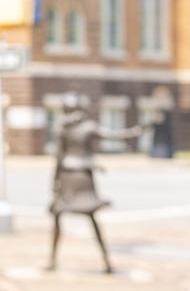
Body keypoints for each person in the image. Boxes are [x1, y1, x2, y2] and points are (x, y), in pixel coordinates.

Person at [47, 92, 140, 274]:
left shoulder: (64, 128)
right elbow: (112, 135)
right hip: (80, 175)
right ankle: (105, 261)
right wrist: (135, 131)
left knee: (62, 216)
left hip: (69, 175)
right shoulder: (81, 127)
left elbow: (59, 157)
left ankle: (53, 260)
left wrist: (55, 182)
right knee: (88, 217)